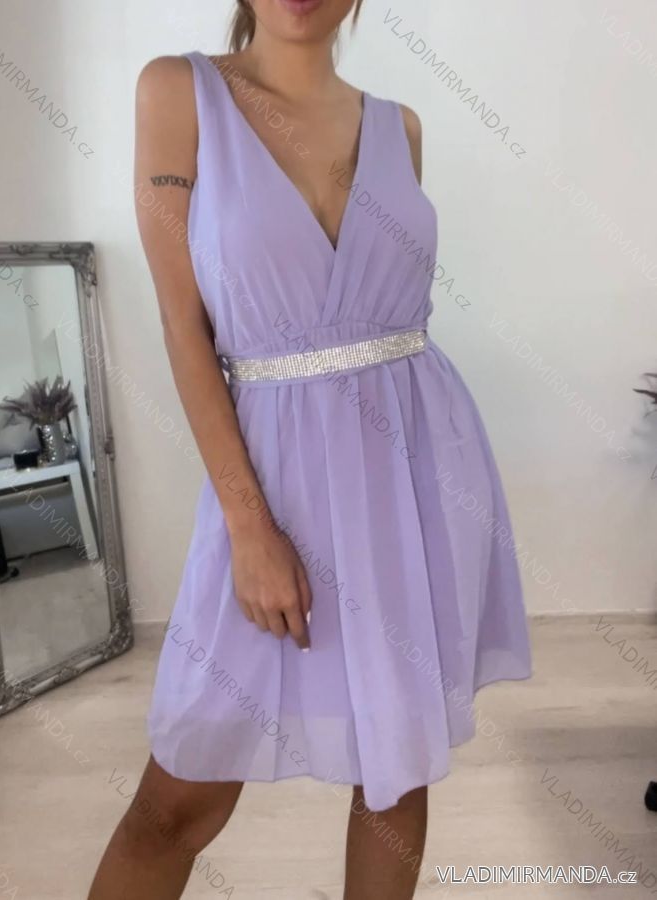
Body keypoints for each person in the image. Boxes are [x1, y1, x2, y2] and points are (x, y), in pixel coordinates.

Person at [88, 1, 532, 897]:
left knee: (396, 770)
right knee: (177, 801)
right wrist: (249, 528)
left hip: (413, 474)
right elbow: (183, 325)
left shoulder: (401, 129)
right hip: (271, 484)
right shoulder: (179, 92)